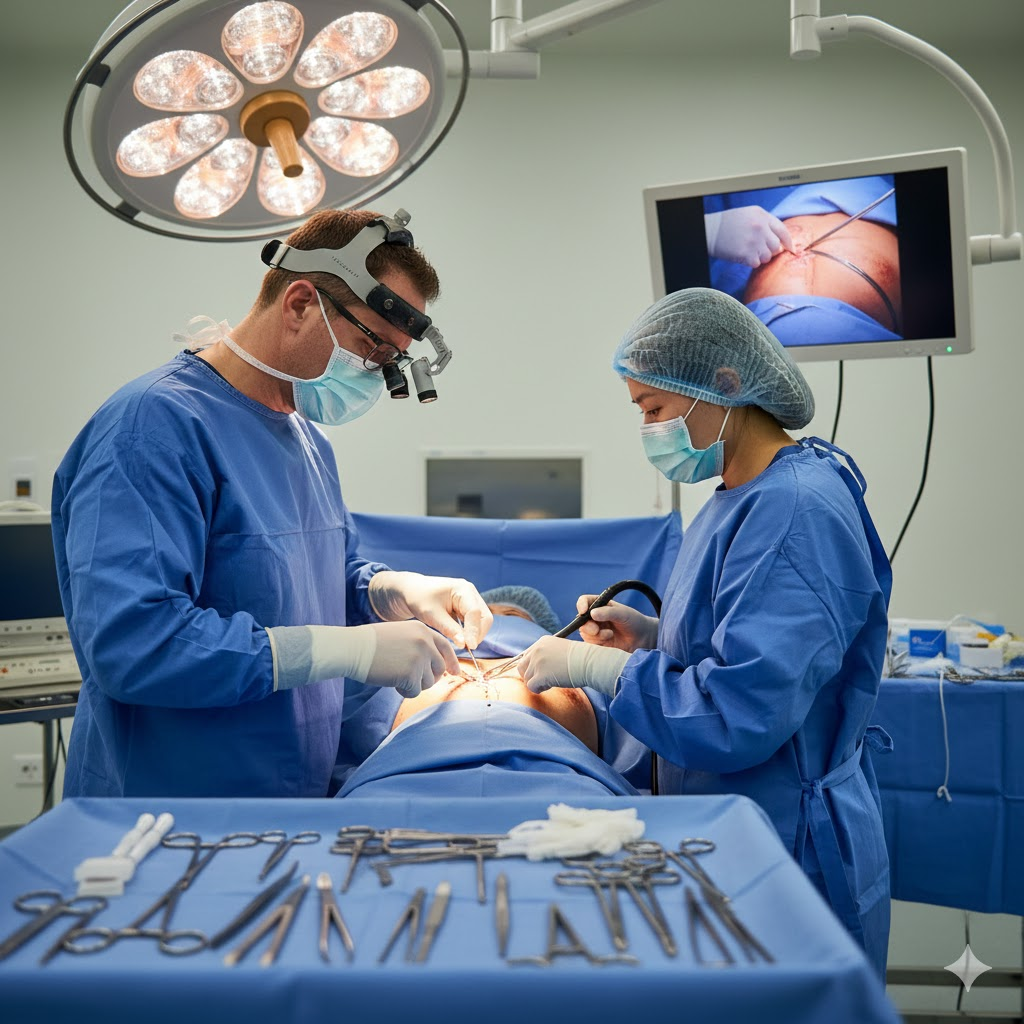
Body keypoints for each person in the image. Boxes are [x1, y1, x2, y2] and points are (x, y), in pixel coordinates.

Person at [52, 207, 493, 799]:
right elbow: (134, 645)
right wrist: (348, 648)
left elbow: (314, 581)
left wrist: (389, 591)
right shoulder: (150, 428)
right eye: (373, 349)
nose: (377, 375)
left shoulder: (307, 440)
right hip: (167, 808)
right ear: (301, 304)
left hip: (290, 799)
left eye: (392, 362)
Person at [517, 288, 893, 977]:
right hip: (733, 829)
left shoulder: (795, 511)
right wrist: (650, 637)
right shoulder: (738, 495)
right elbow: (739, 638)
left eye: (653, 409)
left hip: (786, 850)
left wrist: (598, 670)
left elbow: (739, 711)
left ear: (723, 384)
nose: (647, 429)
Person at [333, 586, 651, 799]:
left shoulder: (579, 663)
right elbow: (350, 730)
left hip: (568, 780)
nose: (493, 624)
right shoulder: (405, 655)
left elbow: (645, 728)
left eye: (511, 617)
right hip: (404, 775)